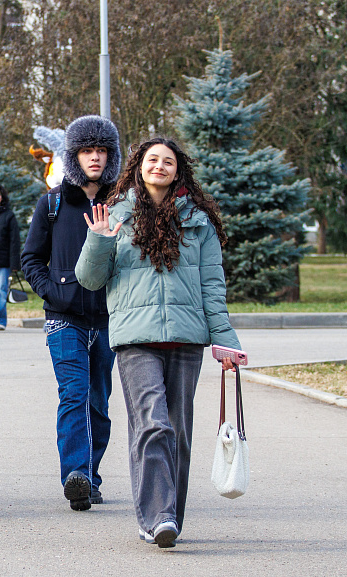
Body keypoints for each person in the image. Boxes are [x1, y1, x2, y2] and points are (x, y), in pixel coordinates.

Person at [75, 137, 241, 548]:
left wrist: (225, 341)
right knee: (153, 423)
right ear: (138, 166)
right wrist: (99, 239)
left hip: (187, 339)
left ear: (178, 170)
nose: (160, 166)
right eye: (152, 159)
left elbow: (212, 286)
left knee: (178, 432)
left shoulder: (198, 220)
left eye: (168, 161)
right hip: (136, 339)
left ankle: (170, 518)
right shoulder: (115, 216)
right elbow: (90, 280)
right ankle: (157, 515)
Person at [21, 115, 121, 511]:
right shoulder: (52, 202)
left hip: (110, 320)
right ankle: (75, 476)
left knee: (99, 402)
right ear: (73, 155)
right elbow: (30, 257)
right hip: (64, 320)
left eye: (101, 151)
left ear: (110, 156)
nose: (94, 158)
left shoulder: (123, 203)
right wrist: (51, 293)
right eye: (86, 150)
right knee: (74, 394)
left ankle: (91, 476)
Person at [0, 183, 20, 331]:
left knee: (1, 289)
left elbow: (15, 241)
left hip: (3, 260)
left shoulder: (9, 215)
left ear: (2, 197)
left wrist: (14, 264)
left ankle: (0, 321)